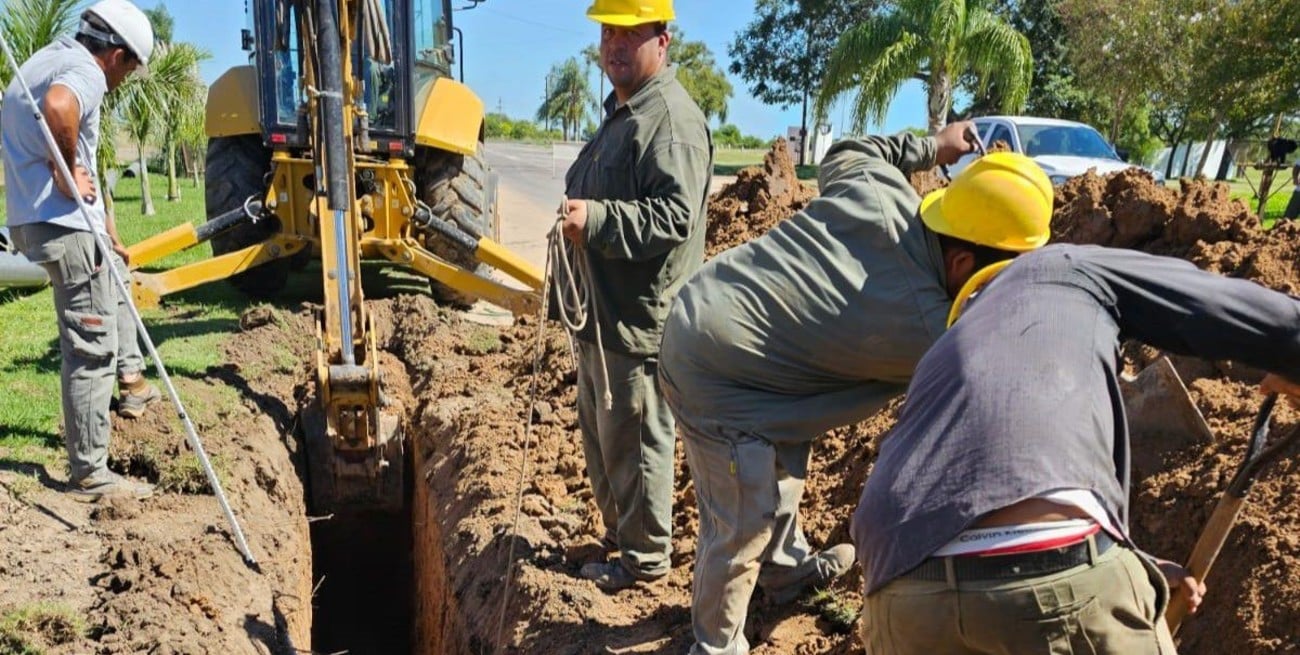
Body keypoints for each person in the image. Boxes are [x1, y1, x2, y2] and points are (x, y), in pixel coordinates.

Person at [658, 124, 1054, 655]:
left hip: (726, 315)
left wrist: (935, 145)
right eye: (995, 280)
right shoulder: (930, 327)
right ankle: (715, 644)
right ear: (962, 263)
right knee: (742, 514)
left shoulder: (879, 191)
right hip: (710, 366)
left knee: (784, 460)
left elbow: (851, 149)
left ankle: (783, 570)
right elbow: (1001, 385)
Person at [852, 243, 1300, 654]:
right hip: (1051, 572)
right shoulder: (1061, 267)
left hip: (899, 597)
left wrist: (1136, 565)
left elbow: (974, 518)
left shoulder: (944, 358)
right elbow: (1232, 312)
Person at [558, 0, 713, 591]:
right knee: (606, 446)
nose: (616, 44)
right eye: (609, 32)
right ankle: (622, 541)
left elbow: (673, 216)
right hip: (601, 319)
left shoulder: (668, 122)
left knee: (638, 442)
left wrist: (596, 219)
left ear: (662, 41)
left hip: (639, 324)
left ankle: (645, 560)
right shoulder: (622, 114)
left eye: (631, 32)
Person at [2, 0, 156, 502]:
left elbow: (85, 154)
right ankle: (90, 473)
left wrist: (108, 230)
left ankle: (133, 384)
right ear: (115, 54)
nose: (125, 80)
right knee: (90, 349)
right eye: (130, 69)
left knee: (115, 276)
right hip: (61, 225)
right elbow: (60, 109)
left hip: (39, 219)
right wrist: (63, 172)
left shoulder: (46, 59)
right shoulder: (84, 72)